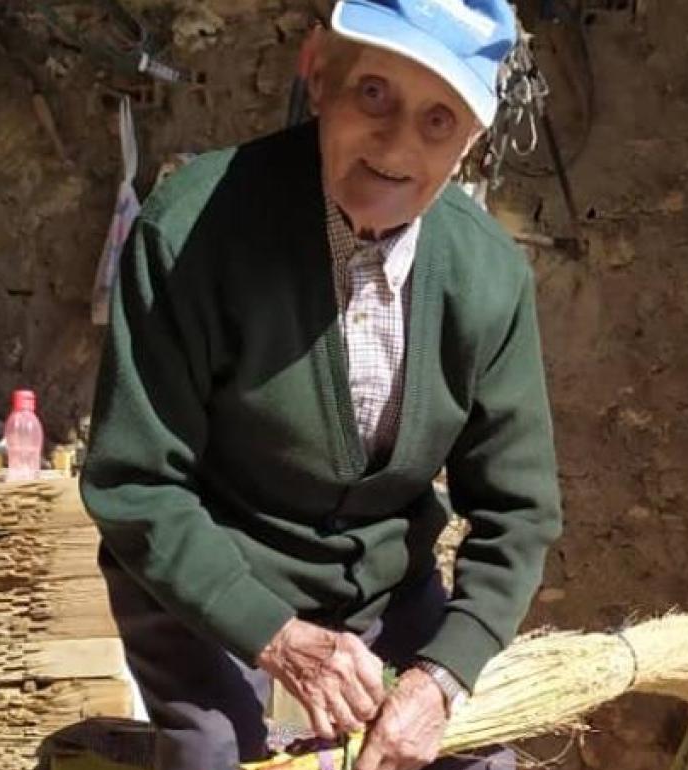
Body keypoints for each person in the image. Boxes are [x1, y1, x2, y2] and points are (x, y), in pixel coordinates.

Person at [79, 1, 563, 769]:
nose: (397, 146)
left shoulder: (488, 280)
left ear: (472, 140)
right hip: (209, 587)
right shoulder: (190, 233)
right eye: (373, 93)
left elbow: (519, 514)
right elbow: (136, 485)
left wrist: (442, 677)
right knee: (223, 756)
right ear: (318, 74)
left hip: (385, 598)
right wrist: (276, 638)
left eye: (439, 120)